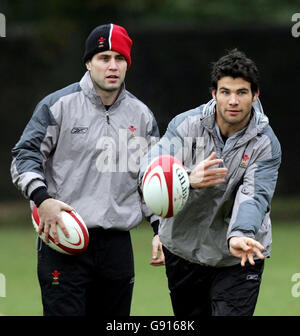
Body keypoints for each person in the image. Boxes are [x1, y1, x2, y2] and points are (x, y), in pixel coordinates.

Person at [11, 23, 160, 316]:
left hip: (117, 246)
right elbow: (23, 156)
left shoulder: (142, 116)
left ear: (127, 64)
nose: (112, 65)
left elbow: (151, 179)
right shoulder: (58, 106)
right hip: (63, 239)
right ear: (89, 62)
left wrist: (159, 229)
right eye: (104, 58)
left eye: (120, 58)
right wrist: (43, 199)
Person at [140, 49, 281, 316]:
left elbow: (255, 195)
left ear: (255, 95)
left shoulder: (266, 143)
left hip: (239, 253)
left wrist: (241, 233)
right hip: (184, 249)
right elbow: (150, 169)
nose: (233, 101)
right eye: (225, 92)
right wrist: (186, 179)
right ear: (214, 94)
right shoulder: (185, 125)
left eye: (242, 92)